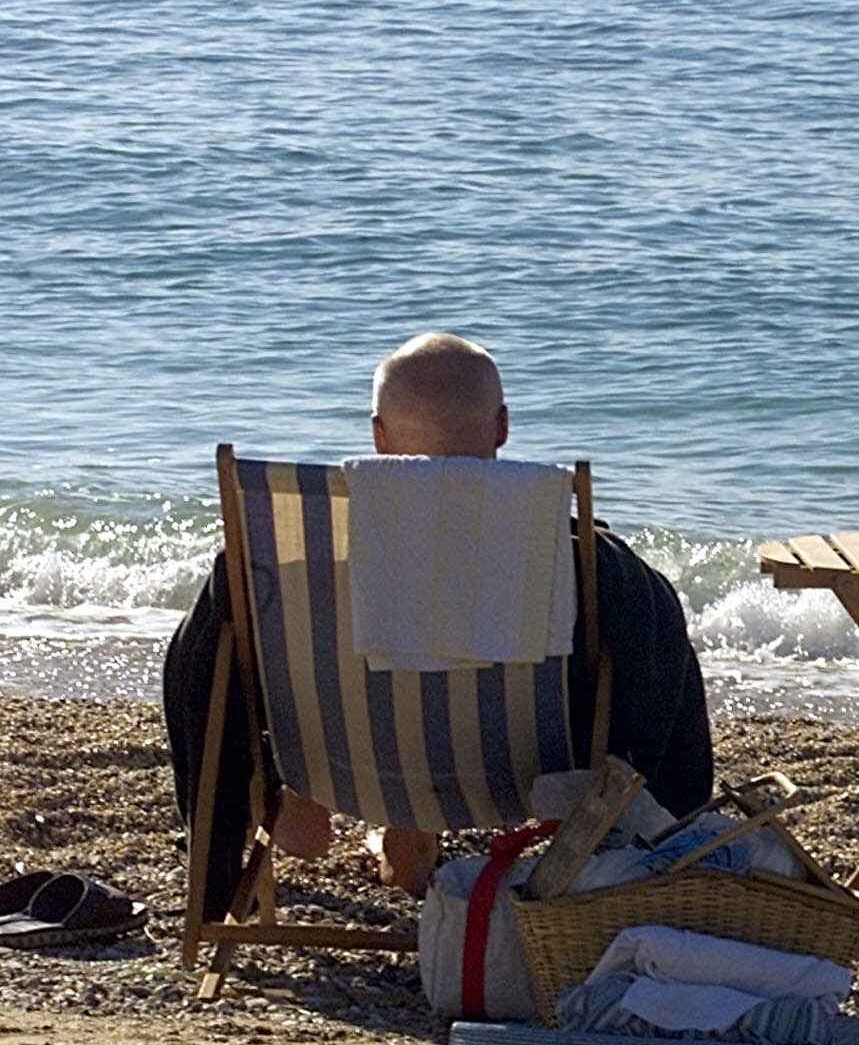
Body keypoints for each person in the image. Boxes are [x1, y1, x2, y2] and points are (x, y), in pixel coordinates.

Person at [165, 332, 715, 915]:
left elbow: (195, 679)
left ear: (377, 435)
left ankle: (297, 803)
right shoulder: (580, 560)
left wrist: (232, 827)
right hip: (514, 778)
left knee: (229, 647)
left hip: (341, 767)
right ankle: (629, 869)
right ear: (501, 426)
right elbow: (659, 691)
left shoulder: (285, 553)